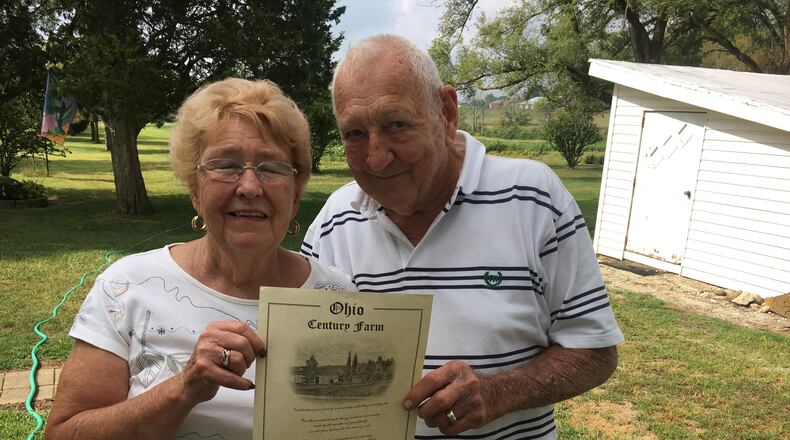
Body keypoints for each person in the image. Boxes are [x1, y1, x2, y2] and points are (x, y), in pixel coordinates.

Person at [302, 34, 624, 440]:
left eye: (396, 125)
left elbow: (595, 349)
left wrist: (499, 392)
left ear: (446, 111)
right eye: (354, 133)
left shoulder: (532, 199)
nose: (377, 157)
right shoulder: (334, 221)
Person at [45, 78, 354, 439]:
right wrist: (183, 389)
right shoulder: (126, 287)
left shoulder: (339, 298)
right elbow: (62, 433)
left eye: (271, 168)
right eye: (226, 165)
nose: (249, 187)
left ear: (295, 195)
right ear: (195, 190)